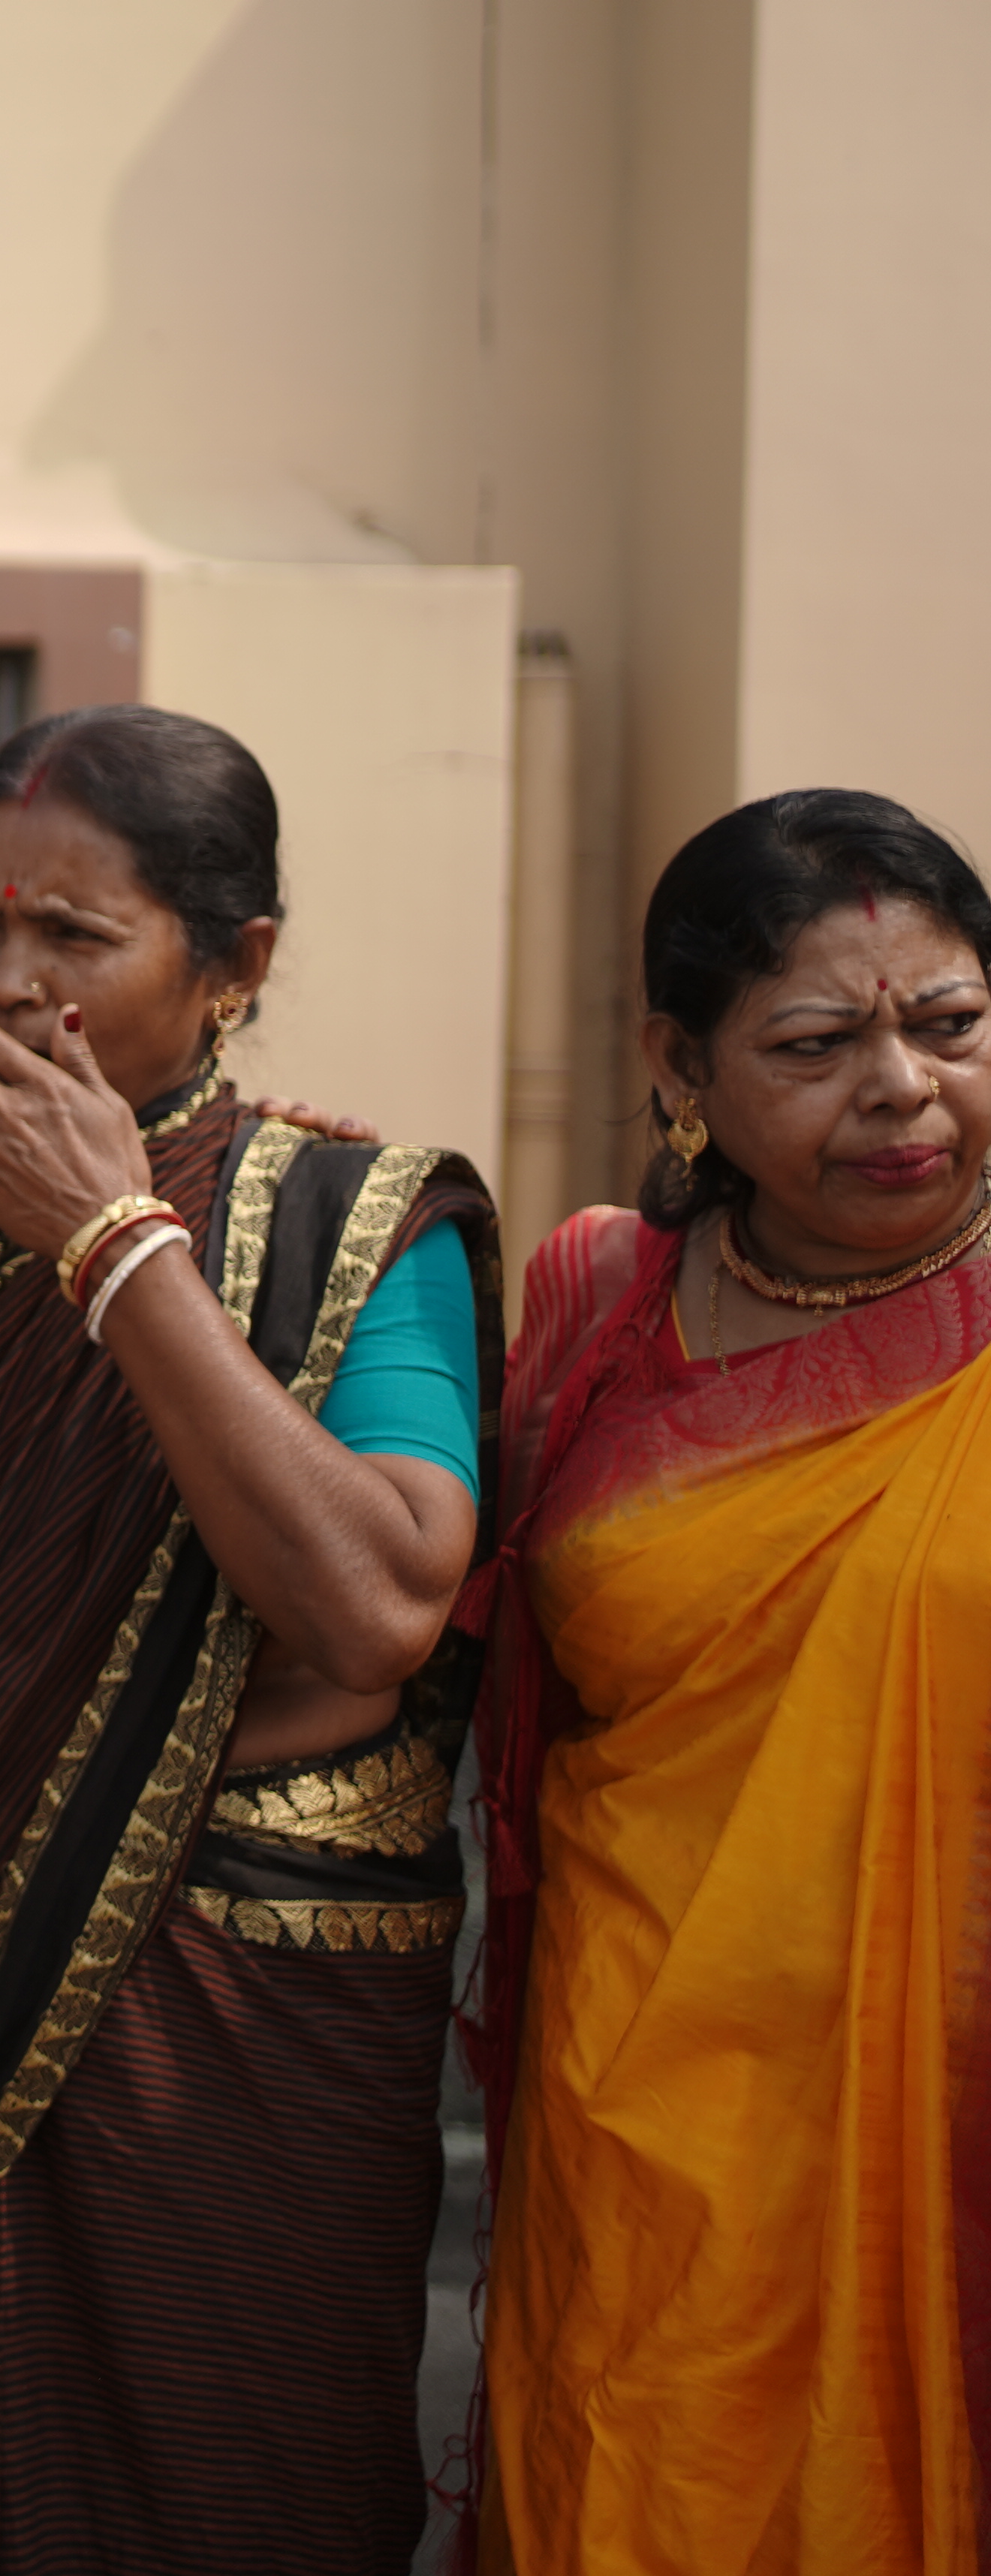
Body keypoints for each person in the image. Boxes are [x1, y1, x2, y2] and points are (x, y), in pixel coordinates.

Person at [0, 705, 494, 2574]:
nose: (6, 980)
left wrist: (113, 1239)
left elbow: (378, 1597)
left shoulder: (351, 1225)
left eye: (75, 934)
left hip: (222, 2044)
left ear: (235, 962)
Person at [468, 790, 991, 2569]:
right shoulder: (600, 1297)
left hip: (948, 2117)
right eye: (818, 1044)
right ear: (681, 1066)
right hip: (641, 2113)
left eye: (951, 1023)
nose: (904, 1086)